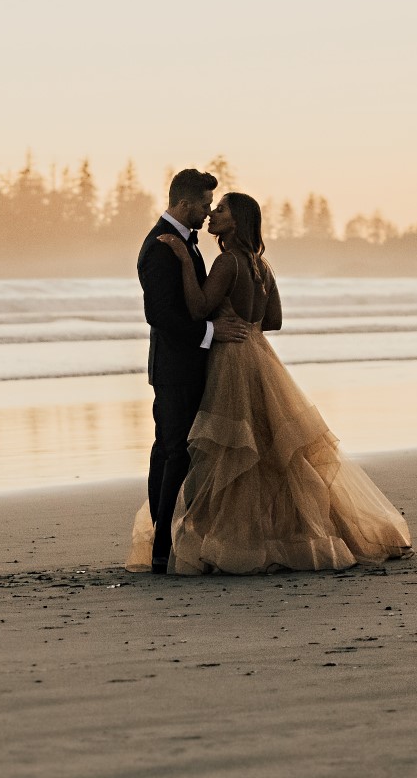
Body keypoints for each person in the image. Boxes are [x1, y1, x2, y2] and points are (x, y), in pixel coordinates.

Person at [127, 191, 412, 574]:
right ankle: (278, 535)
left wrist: (182, 262)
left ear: (237, 222)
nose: (214, 213)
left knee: (229, 454)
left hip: (231, 360)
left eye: (222, 209)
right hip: (260, 357)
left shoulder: (227, 261)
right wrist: (248, 321)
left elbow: (197, 308)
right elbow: (273, 320)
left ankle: (228, 541)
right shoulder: (262, 265)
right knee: (267, 453)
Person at [135, 169, 250, 574]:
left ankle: (172, 541)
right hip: (174, 370)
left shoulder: (186, 244)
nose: (207, 212)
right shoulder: (159, 247)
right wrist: (210, 332)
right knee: (171, 453)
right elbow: (160, 315)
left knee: (177, 453)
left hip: (189, 365)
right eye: (203, 205)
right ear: (184, 204)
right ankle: (162, 548)